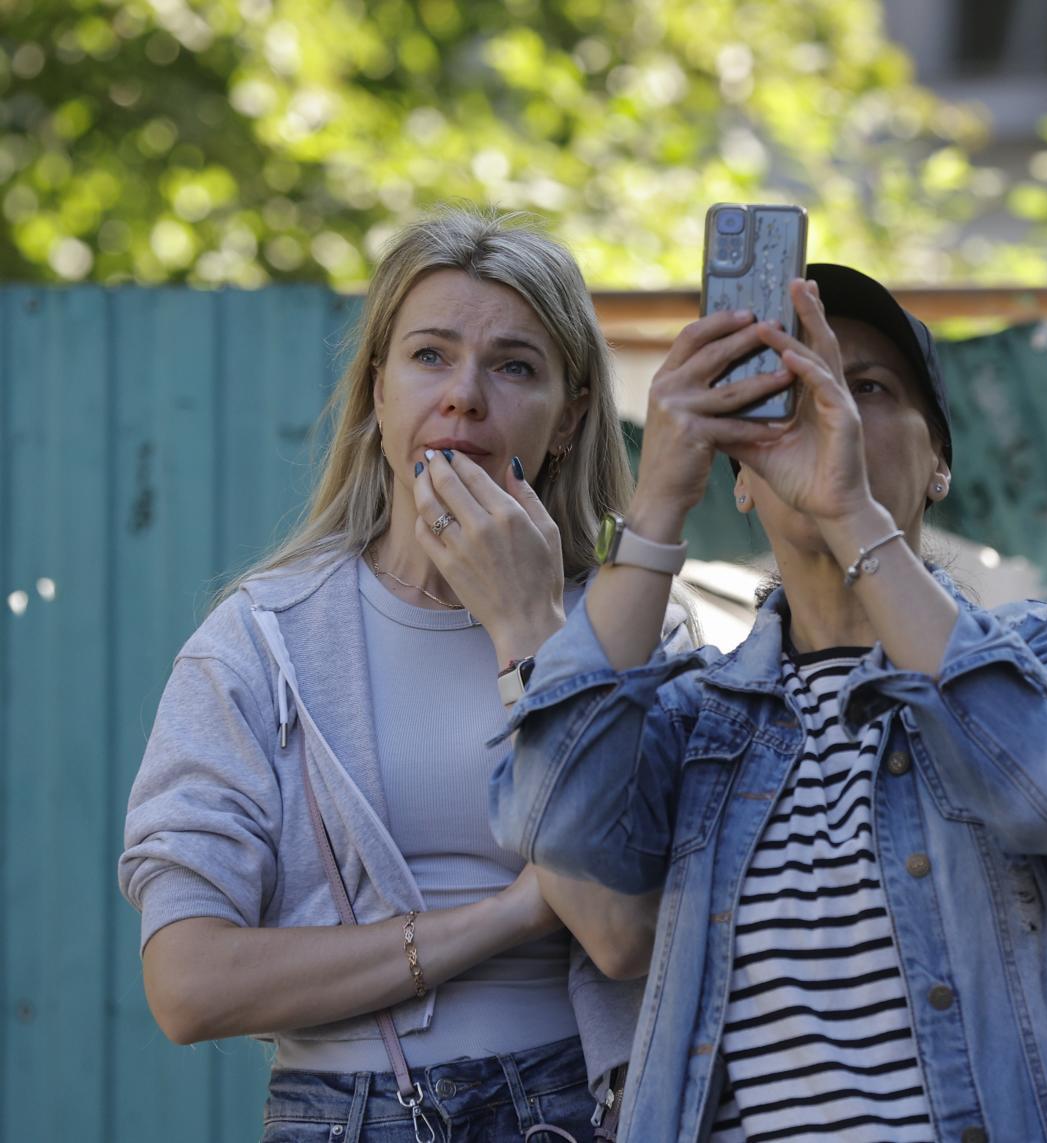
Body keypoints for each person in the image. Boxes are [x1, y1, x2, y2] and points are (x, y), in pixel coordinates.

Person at [488, 264, 1047, 1142]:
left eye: (863, 386)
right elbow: (560, 820)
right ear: (741, 477)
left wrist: (853, 517)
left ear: (940, 463)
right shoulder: (696, 716)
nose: (823, 409)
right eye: (785, 388)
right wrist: (656, 504)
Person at [119, 208, 677, 1141]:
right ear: (376, 389)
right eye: (429, 355)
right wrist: (508, 915)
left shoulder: (643, 631)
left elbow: (622, 933)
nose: (464, 397)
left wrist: (524, 623)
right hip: (345, 1115)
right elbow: (187, 984)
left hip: (585, 1106)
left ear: (571, 414)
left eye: (514, 365)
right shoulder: (261, 643)